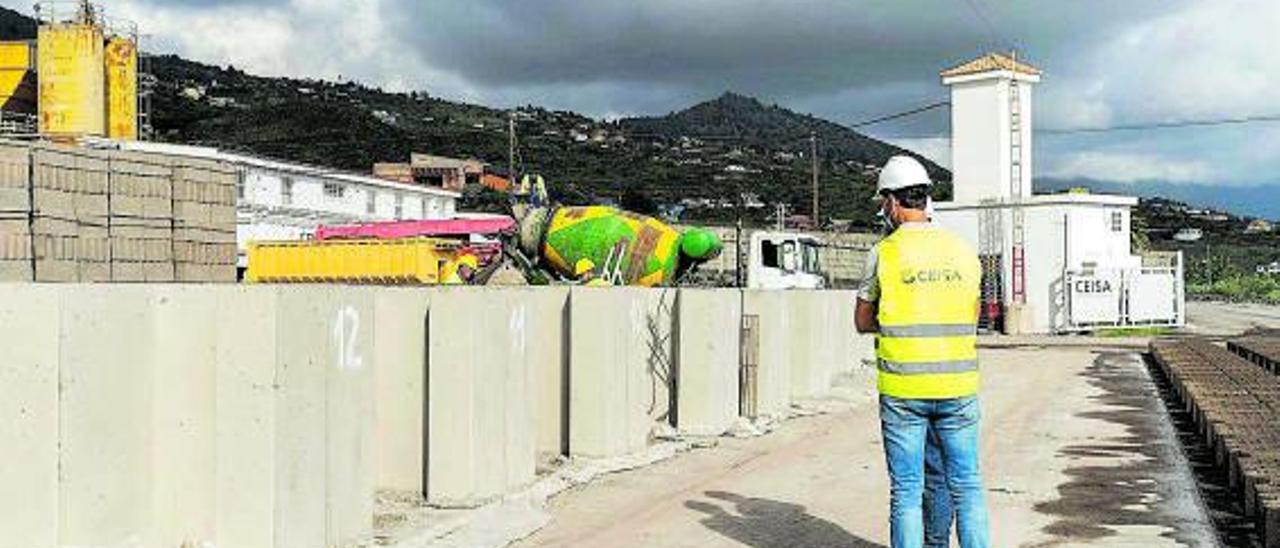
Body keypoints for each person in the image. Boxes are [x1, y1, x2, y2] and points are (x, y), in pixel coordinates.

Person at [855, 156, 989, 548]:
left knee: (907, 492)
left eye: (884, 203)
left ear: (894, 203)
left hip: (904, 391)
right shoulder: (964, 251)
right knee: (967, 487)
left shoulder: (884, 252)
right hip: (958, 388)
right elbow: (972, 315)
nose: (885, 211)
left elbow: (863, 321)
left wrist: (896, 320)